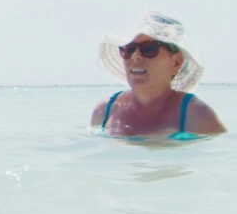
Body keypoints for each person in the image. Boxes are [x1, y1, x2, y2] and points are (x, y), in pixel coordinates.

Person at [91, 11, 226, 139]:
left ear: (176, 63)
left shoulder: (197, 115)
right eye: (129, 49)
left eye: (149, 49)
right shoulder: (104, 112)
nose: (136, 56)